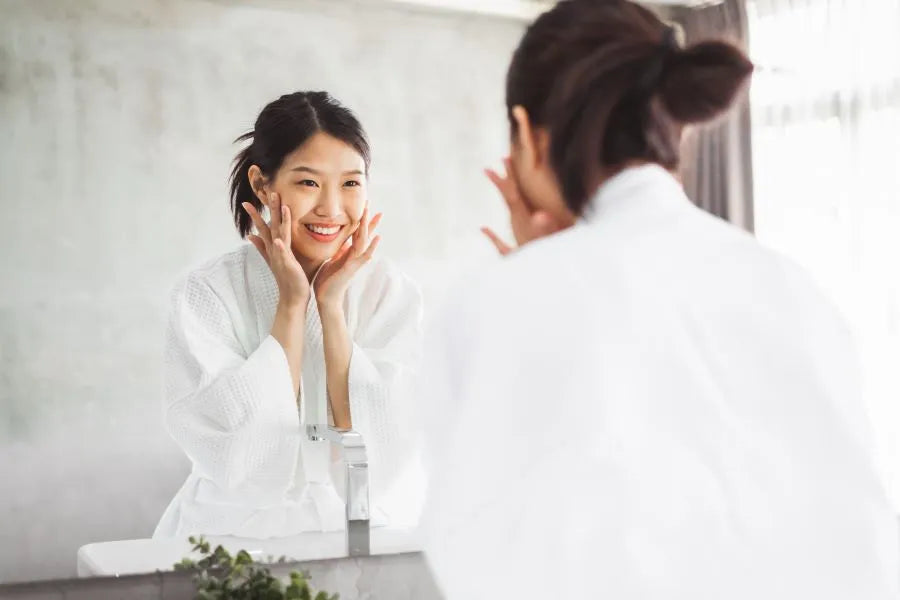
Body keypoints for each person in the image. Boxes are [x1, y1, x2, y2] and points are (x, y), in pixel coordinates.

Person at [419, 1, 899, 598]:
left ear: (525, 133)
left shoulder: (496, 304)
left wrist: (542, 272)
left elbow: (480, 547)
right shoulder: (792, 287)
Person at [154, 91, 422, 539]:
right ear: (262, 185)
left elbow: (388, 449)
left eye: (351, 184)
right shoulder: (206, 293)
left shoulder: (390, 291)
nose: (332, 210)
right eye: (309, 183)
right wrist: (293, 305)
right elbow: (238, 453)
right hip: (231, 532)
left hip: (362, 528)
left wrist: (331, 307)